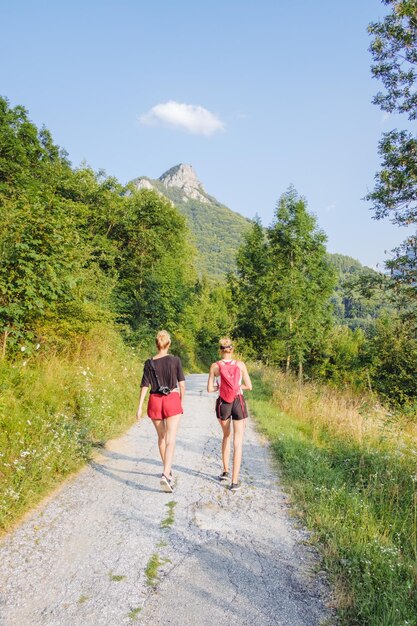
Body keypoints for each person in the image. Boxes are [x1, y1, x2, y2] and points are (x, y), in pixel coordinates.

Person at [136, 330, 185, 493]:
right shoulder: (175, 360)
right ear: (168, 344)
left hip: (155, 401)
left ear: (157, 344)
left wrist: (139, 407)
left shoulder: (149, 363)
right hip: (171, 399)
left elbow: (144, 385)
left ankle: (167, 470)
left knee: (161, 437)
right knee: (171, 439)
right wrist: (181, 401)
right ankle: (166, 473)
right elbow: (182, 384)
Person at [207, 338, 252, 491]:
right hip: (238, 402)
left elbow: (209, 389)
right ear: (232, 349)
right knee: (237, 442)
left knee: (226, 435)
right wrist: (237, 386)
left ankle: (225, 471)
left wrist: (221, 386)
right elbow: (249, 386)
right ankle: (234, 481)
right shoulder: (240, 365)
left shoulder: (215, 366)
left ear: (220, 350)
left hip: (224, 403)